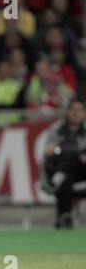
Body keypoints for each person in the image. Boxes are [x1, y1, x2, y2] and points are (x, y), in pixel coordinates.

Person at [43, 98, 86, 229]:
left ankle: (64, 213)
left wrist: (62, 150)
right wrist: (72, 152)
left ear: (84, 113)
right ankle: (66, 215)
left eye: (79, 110)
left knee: (67, 166)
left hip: (82, 171)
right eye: (73, 110)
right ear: (67, 112)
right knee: (67, 166)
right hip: (62, 167)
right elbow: (49, 150)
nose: (76, 113)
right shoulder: (57, 128)